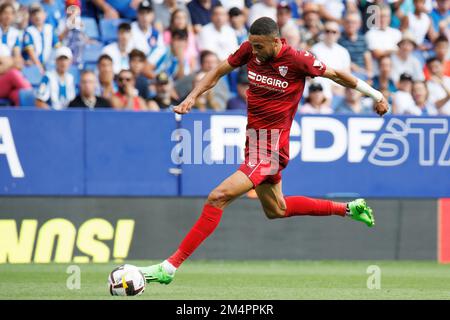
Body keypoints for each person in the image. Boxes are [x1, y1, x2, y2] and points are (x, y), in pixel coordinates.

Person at [135, 17, 388, 284]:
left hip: (270, 149)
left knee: (217, 197)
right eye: (252, 45)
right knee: (276, 209)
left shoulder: (298, 60)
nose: (253, 52)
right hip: (254, 143)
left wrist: (377, 95)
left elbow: (337, 75)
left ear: (276, 40)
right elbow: (218, 71)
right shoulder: (249, 50)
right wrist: (191, 97)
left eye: (259, 46)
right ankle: (349, 209)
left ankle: (169, 267)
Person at [22, 3, 60, 73]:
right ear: (30, 17)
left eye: (39, 13)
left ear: (44, 14)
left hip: (48, 65)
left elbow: (57, 47)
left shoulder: (50, 28)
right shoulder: (29, 31)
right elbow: (30, 51)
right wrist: (39, 67)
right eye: (34, 14)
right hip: (33, 66)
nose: (37, 16)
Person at [131, 1, 166, 69]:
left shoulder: (155, 33)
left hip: (150, 68)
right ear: (137, 14)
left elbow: (162, 51)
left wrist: (149, 63)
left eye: (148, 13)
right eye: (142, 13)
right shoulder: (130, 29)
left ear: (153, 15)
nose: (145, 17)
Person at [338, 11, 373, 79]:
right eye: (348, 22)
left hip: (362, 72)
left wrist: (369, 74)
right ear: (344, 24)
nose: (350, 25)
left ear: (359, 24)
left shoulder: (363, 39)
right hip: (346, 72)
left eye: (353, 22)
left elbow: (367, 57)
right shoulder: (340, 39)